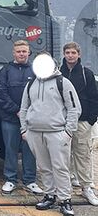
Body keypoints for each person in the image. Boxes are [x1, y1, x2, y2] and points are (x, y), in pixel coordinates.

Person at [20, 53, 81, 216]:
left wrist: (68, 131)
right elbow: (24, 107)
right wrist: (24, 129)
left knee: (60, 168)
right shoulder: (31, 82)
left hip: (57, 133)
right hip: (34, 132)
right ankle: (49, 195)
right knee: (44, 167)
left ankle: (65, 200)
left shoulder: (63, 82)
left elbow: (74, 108)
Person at [0, 40, 42, 195]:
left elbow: (41, 94)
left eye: (24, 51)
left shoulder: (36, 71)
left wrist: (30, 112)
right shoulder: (6, 70)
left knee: (30, 150)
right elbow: (1, 93)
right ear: (13, 53)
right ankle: (10, 179)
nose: (22, 54)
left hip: (31, 119)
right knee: (10, 149)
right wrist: (17, 110)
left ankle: (30, 180)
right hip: (10, 118)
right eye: (19, 51)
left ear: (29, 53)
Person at [60, 42, 98, 206]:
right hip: (62, 122)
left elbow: (94, 97)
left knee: (83, 155)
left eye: (73, 53)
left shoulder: (86, 73)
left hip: (82, 121)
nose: (70, 55)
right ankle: (64, 187)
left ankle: (86, 187)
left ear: (78, 54)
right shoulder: (58, 74)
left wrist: (91, 119)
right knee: (63, 156)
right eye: (67, 52)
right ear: (64, 54)